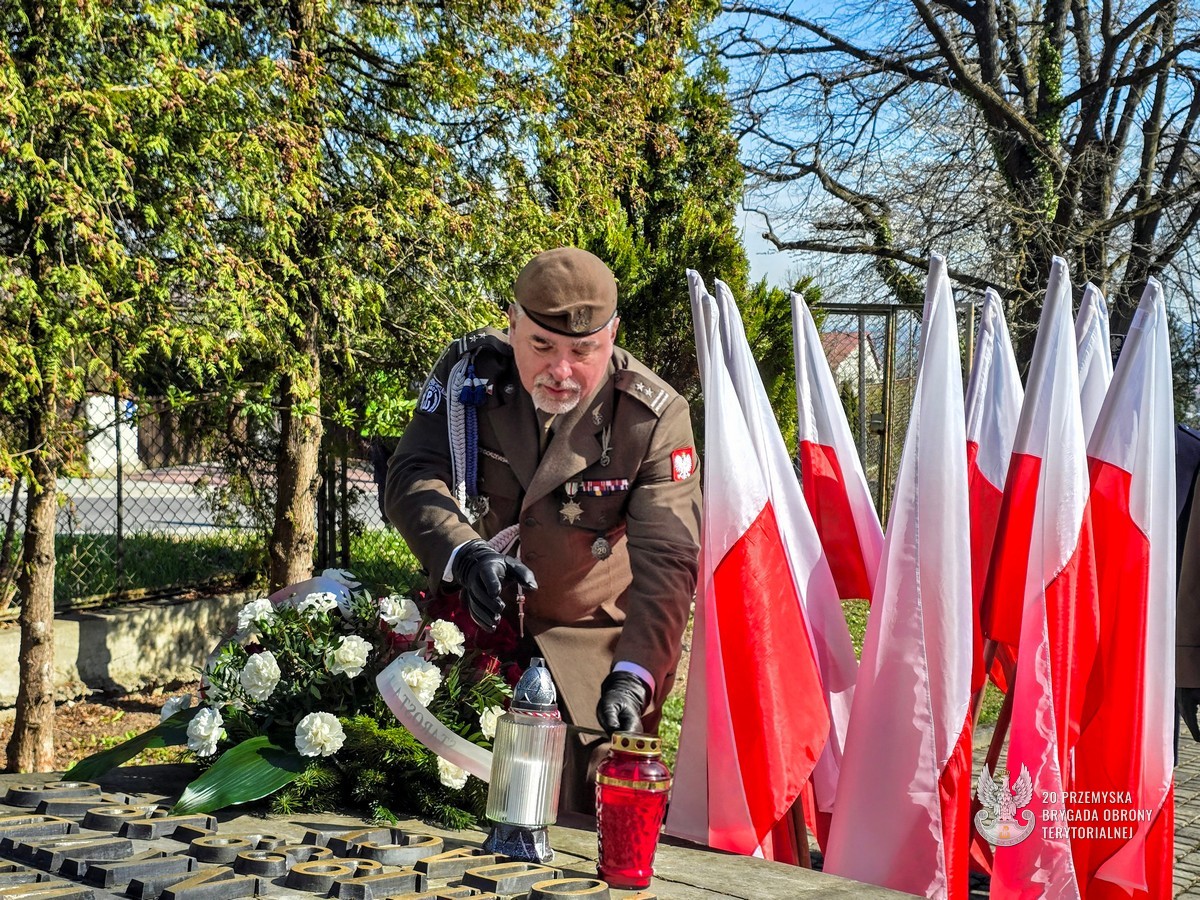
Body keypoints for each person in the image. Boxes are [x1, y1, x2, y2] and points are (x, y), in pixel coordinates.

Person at [383, 246, 702, 812]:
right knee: (428, 813)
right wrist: (466, 554)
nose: (561, 370)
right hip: (470, 631)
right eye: (542, 346)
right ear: (511, 324)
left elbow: (668, 564)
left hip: (589, 657)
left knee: (576, 829)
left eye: (583, 351)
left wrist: (634, 676)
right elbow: (413, 475)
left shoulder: (650, 418)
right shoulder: (469, 375)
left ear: (613, 335)